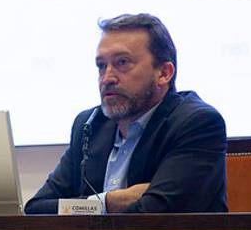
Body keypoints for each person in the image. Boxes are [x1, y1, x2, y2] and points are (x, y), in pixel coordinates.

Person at [24, 14, 227, 214]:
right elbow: (37, 208)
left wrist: (81, 207)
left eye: (122, 62)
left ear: (164, 73)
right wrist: (108, 202)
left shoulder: (197, 123)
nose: (107, 78)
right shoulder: (89, 124)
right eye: (101, 66)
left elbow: (155, 215)